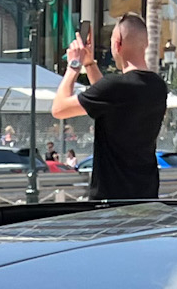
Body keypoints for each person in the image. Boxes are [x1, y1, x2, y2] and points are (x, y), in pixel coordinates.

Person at [51, 11, 168, 201]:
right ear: (145, 44)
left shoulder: (115, 87)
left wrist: (74, 65)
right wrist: (89, 64)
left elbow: (59, 109)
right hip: (146, 195)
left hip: (111, 199)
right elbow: (109, 100)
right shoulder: (158, 87)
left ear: (117, 43)